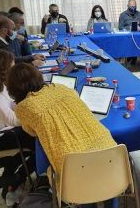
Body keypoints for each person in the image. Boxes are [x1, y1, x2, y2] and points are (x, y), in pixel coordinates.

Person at [7, 63, 117, 205]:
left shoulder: (24, 107)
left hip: (75, 174)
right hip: (113, 160)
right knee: (103, 175)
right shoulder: (62, 88)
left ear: (13, 90)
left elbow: (30, 131)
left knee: (79, 174)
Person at [0, 50, 35, 200]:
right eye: (12, 66)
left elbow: (12, 105)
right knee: (42, 143)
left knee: (39, 140)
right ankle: (17, 178)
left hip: (7, 131)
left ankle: (11, 179)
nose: (14, 69)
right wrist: (34, 116)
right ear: (2, 69)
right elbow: (12, 119)